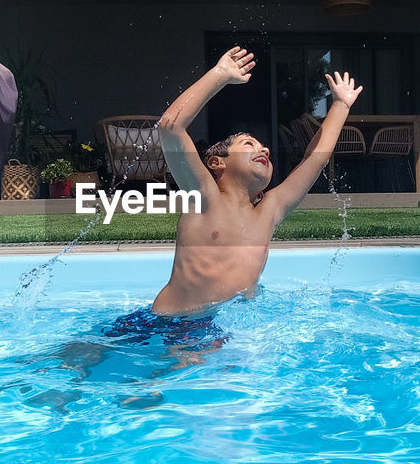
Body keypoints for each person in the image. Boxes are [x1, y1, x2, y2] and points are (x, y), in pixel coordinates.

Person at [151, 46, 363, 316]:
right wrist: (219, 75)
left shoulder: (270, 210)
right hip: (172, 323)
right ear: (217, 163)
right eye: (249, 144)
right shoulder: (203, 195)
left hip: (220, 326)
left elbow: (314, 160)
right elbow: (170, 126)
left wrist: (341, 105)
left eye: (265, 148)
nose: (264, 150)